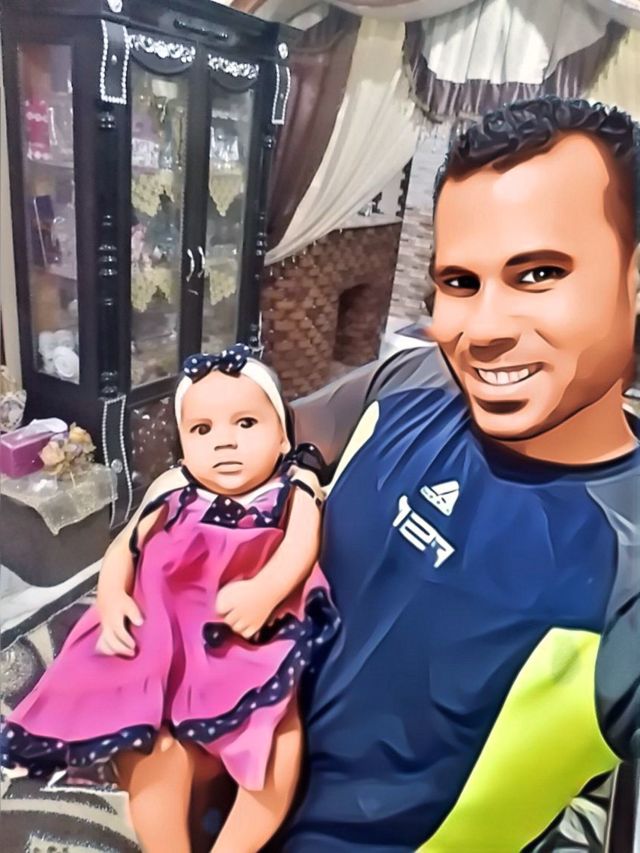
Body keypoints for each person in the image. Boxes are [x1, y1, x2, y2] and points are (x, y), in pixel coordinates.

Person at [269, 96, 638, 851]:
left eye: (538, 273)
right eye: (461, 282)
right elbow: (270, 430)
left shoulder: (627, 564)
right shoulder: (413, 379)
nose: (483, 330)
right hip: (228, 788)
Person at [0, 344, 339, 853]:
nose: (224, 441)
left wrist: (267, 589)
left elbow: (301, 543)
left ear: (283, 436)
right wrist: (112, 595)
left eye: (246, 423)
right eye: (202, 429)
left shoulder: (292, 489)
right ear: (183, 445)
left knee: (277, 739)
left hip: (244, 638)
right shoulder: (173, 484)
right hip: (159, 631)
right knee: (152, 747)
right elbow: (125, 545)